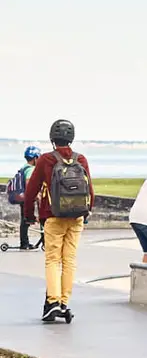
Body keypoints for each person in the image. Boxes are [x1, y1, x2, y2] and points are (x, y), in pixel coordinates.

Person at [22, 119, 93, 323]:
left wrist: (29, 216)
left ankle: (52, 303)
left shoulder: (46, 160)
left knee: (53, 260)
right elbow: (91, 191)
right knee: (69, 260)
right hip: (76, 217)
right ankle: (64, 302)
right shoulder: (81, 159)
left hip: (53, 216)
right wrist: (85, 213)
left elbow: (31, 192)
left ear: (52, 138)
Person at [11, 145, 41, 250]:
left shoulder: (24, 167)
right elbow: (29, 184)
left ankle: (24, 243)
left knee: (24, 221)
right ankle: (24, 244)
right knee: (26, 221)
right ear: (35, 158)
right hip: (27, 198)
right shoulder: (31, 169)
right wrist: (36, 196)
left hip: (21, 197)